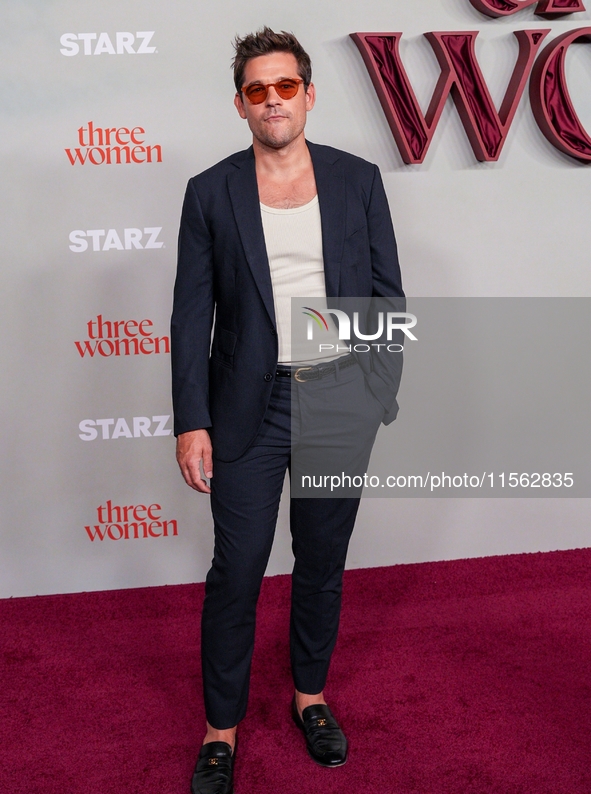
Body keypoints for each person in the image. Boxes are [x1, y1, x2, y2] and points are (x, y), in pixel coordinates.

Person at [171, 27, 404, 794]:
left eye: (284, 86)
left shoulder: (357, 179)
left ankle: (310, 698)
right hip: (247, 404)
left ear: (308, 93)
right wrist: (191, 420)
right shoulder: (210, 191)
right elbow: (190, 315)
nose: (271, 100)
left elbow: (385, 294)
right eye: (255, 90)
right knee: (236, 570)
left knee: (321, 562)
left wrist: (373, 390)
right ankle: (219, 731)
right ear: (239, 104)